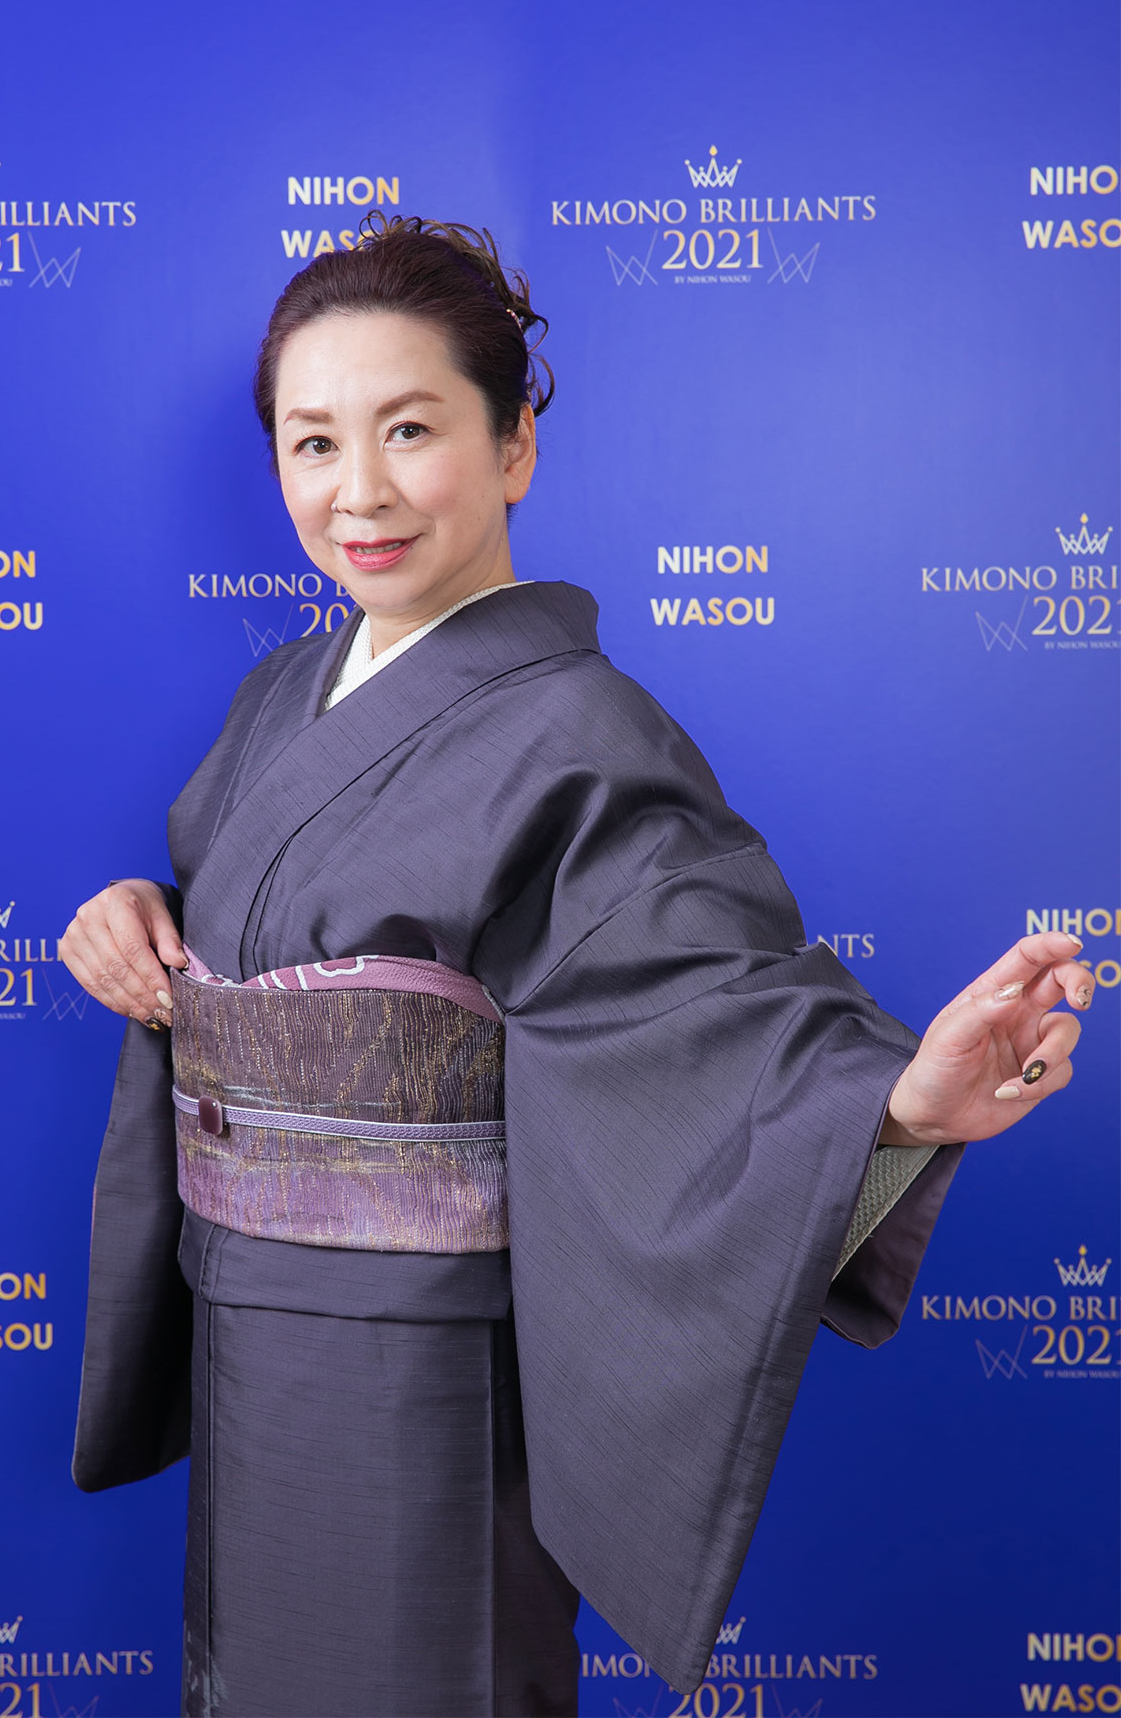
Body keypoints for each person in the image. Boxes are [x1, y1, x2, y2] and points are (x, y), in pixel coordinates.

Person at [59, 215, 1093, 1718]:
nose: (359, 491)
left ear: (515, 445)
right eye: (313, 443)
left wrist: (894, 1111)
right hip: (248, 1333)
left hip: (425, 1374)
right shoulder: (284, 692)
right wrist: (138, 914)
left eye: (411, 430)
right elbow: (261, 924)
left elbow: (701, 1005)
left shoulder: (583, 735)